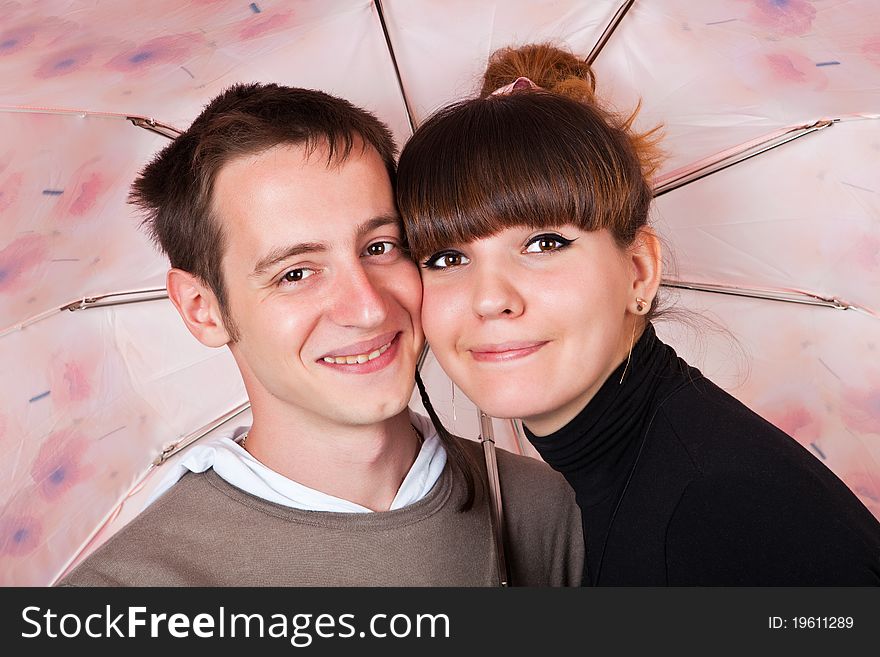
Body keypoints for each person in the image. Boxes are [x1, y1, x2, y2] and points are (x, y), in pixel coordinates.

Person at [58, 82, 583, 586]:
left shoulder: (546, 509)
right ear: (204, 310)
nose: (368, 308)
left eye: (380, 247)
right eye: (296, 273)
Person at [395, 44, 880, 585]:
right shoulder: (573, 501)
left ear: (639, 271)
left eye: (544, 243)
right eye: (446, 258)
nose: (489, 299)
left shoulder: (725, 509)